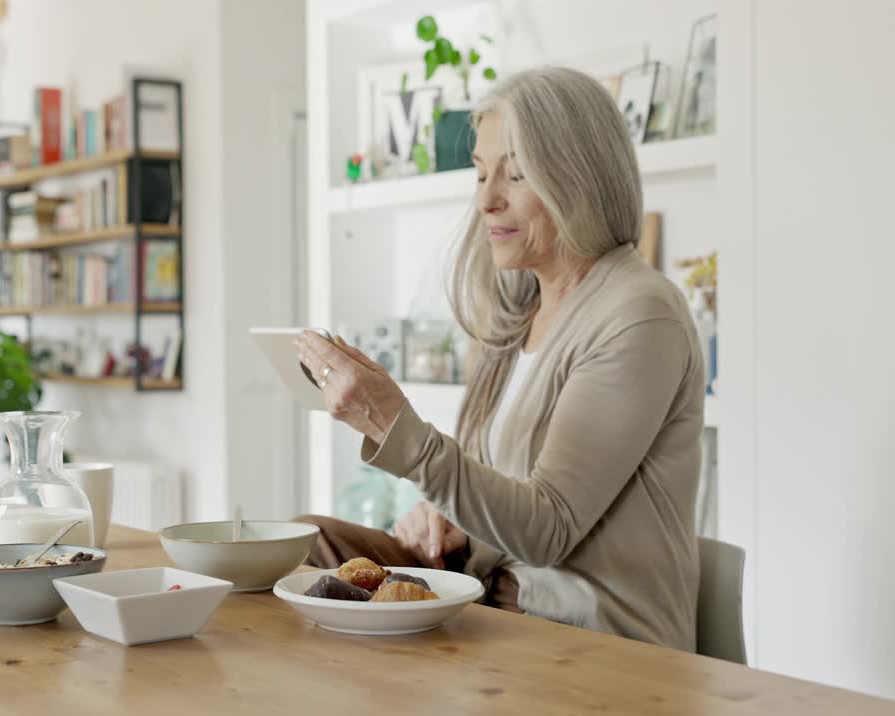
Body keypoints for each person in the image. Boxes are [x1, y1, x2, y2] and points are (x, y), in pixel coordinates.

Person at [293, 66, 704, 651]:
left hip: (582, 638)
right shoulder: (518, 313)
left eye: (514, 174)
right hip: (489, 594)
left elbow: (549, 529)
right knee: (303, 545)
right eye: (482, 173)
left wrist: (396, 429)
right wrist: (453, 526)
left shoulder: (639, 314)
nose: (486, 200)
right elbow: (506, 494)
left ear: (580, 177)